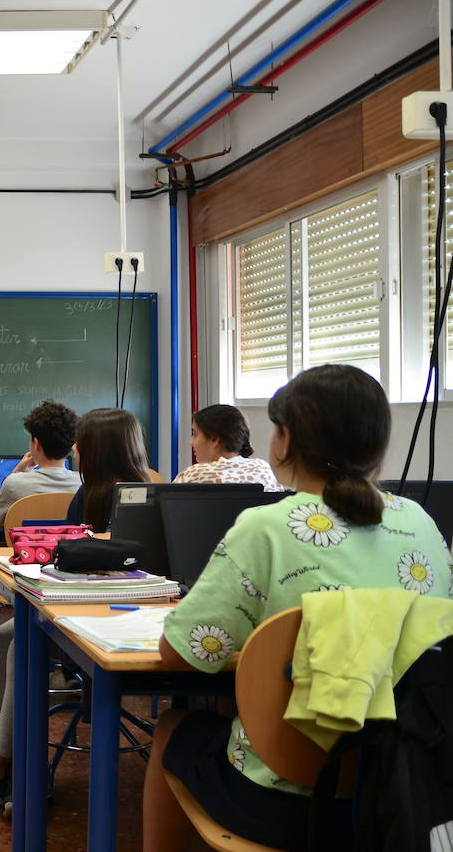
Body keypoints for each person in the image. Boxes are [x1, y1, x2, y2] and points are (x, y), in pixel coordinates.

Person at [143, 364, 451, 850]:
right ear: (379, 444)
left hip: (289, 802)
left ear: (283, 441)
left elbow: (177, 654)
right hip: (406, 787)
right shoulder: (421, 523)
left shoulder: (264, 528)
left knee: (173, 726)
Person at [0, 404, 151, 821]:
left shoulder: (139, 500)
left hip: (121, 615)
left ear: (97, 450)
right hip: (79, 604)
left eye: (83, 445)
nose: (76, 451)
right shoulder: (85, 492)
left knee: (19, 641)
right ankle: (19, 751)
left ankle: (3, 768)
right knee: (4, 637)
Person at [0, 399, 81, 526]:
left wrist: (16, 472)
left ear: (36, 444)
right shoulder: (85, 484)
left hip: (25, 546)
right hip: (69, 545)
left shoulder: (15, 483)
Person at [64, 407, 153, 531]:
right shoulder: (85, 493)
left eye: (80, 441)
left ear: (99, 452)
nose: (74, 447)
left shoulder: (139, 499)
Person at [174, 403, 281, 490]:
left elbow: (164, 508)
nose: (190, 442)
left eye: (195, 434)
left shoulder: (193, 475)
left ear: (214, 440)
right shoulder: (264, 469)